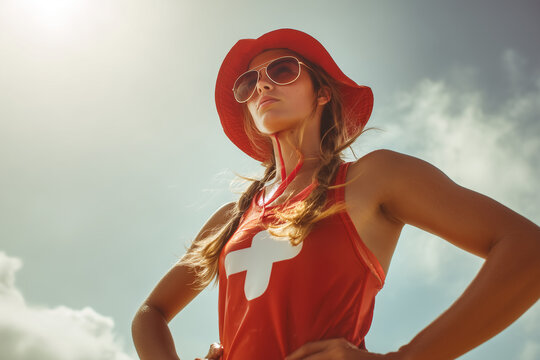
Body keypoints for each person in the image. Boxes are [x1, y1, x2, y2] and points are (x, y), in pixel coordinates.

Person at [131, 29, 540, 360]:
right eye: (248, 82)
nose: (262, 86)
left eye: (283, 70)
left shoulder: (374, 178)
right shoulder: (232, 218)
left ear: (322, 92)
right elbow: (150, 315)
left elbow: (528, 250)